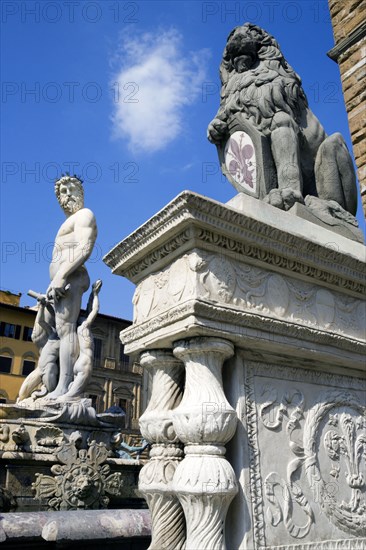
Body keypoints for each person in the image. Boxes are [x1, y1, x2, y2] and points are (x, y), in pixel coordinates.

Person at [46, 175, 97, 398]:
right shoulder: (67, 222)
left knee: (66, 329)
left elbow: (85, 247)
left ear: (81, 193)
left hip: (70, 277)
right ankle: (55, 384)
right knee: (59, 330)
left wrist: (62, 275)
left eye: (71, 189)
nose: (66, 195)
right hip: (60, 280)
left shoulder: (85, 215)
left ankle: (63, 387)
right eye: (62, 192)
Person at [59, 280, 102, 401]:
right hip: (85, 362)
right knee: (70, 397)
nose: (85, 316)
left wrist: (92, 294)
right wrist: (96, 294)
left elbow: (89, 309)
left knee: (73, 394)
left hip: (78, 363)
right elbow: (94, 310)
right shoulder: (84, 327)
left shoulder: (78, 329)